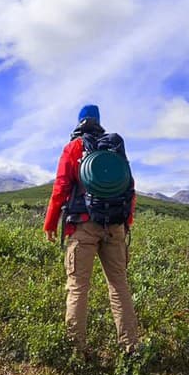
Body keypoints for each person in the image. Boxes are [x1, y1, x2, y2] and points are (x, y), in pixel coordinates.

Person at [43, 104, 140, 356]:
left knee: (78, 288)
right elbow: (130, 188)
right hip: (115, 227)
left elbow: (61, 188)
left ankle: (76, 350)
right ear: (98, 122)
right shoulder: (115, 149)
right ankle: (131, 348)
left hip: (82, 227)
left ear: (79, 122)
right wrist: (125, 223)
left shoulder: (74, 148)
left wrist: (50, 223)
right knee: (119, 286)